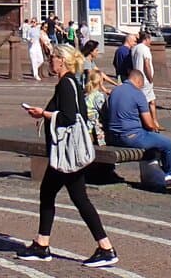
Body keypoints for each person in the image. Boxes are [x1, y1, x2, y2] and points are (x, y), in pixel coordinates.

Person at [19, 43, 119, 268]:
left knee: (79, 198)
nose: (50, 61)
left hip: (67, 153)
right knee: (50, 193)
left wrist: (43, 113)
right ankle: (42, 243)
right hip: (66, 152)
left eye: (53, 57)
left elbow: (69, 117)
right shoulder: (73, 81)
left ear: (61, 60)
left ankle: (105, 248)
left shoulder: (66, 84)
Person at [103, 67, 171, 181]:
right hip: (131, 136)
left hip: (113, 136)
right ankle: (169, 173)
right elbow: (149, 124)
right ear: (138, 81)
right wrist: (155, 126)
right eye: (141, 85)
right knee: (168, 144)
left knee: (153, 141)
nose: (141, 88)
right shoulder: (137, 94)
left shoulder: (115, 91)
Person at [131, 31, 159, 128]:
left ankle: (155, 122)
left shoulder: (134, 48)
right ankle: (148, 123)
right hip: (145, 79)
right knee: (145, 101)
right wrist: (150, 77)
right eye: (149, 39)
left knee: (152, 100)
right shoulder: (145, 49)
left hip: (136, 77)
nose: (150, 41)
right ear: (146, 39)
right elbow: (146, 64)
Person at [85, 68, 108, 146]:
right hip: (95, 128)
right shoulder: (98, 96)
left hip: (86, 126)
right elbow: (104, 112)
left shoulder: (85, 94)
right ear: (100, 81)